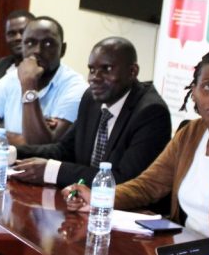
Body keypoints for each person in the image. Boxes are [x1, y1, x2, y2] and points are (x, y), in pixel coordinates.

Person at [62, 50, 209, 255]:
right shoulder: (190, 133)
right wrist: (99, 197)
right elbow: (148, 185)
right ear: (193, 92)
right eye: (208, 86)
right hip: (193, 251)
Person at [12, 37, 171, 188]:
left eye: (106, 69)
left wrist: (52, 171)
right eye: (92, 70)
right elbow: (64, 150)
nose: (95, 78)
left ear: (132, 71)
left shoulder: (151, 113)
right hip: (82, 200)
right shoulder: (91, 98)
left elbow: (124, 180)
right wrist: (12, 152)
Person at [0, 16, 87, 146]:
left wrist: (28, 84)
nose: (37, 51)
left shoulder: (76, 87)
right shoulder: (11, 78)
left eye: (48, 44)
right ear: (23, 47)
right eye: (30, 43)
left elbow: (45, 149)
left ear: (62, 50)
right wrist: (23, 139)